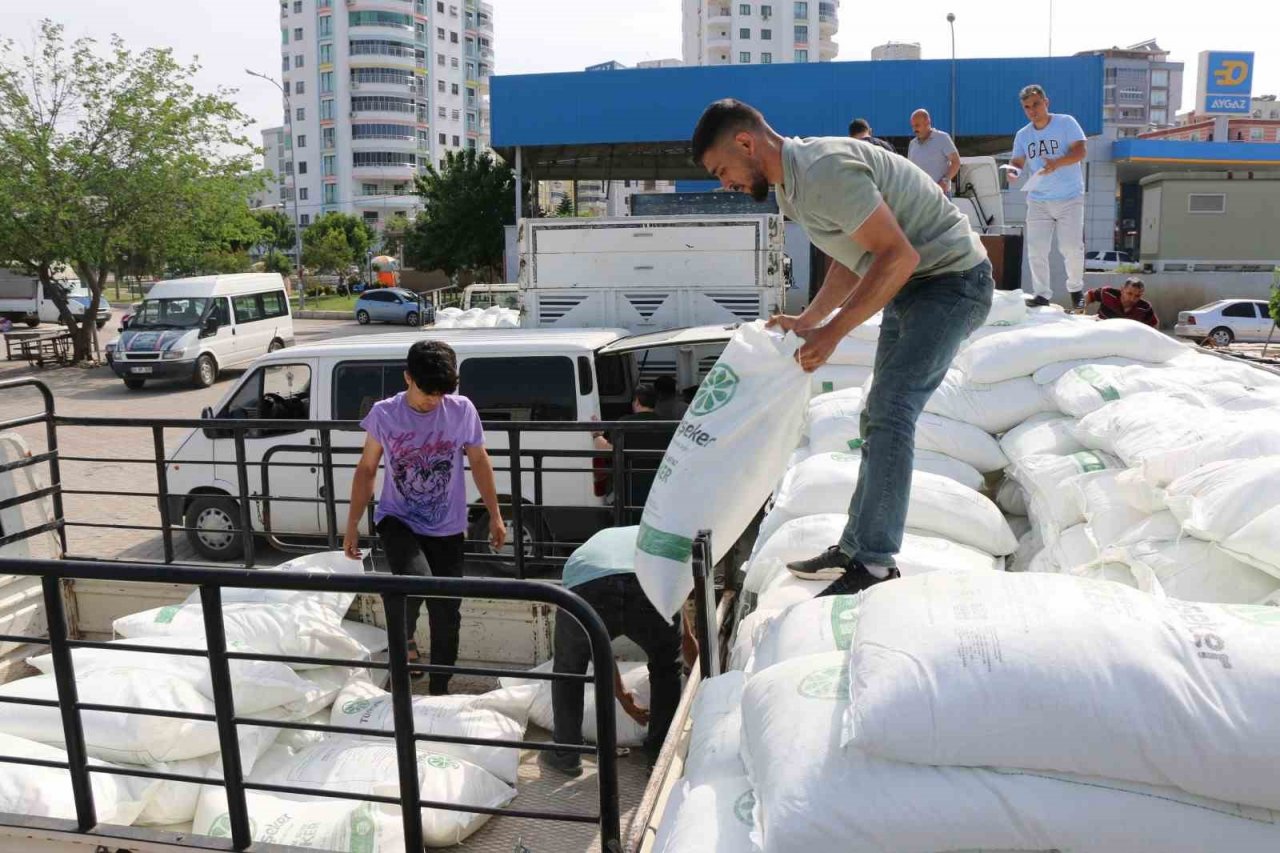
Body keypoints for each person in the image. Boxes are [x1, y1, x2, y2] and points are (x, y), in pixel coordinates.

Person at [691, 99, 992, 597]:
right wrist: (811, 319)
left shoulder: (823, 170)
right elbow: (852, 257)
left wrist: (833, 333)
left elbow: (897, 254)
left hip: (952, 282)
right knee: (876, 413)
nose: (726, 183)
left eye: (722, 170)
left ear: (746, 143)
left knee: (892, 410)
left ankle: (874, 563)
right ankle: (856, 546)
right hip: (916, 285)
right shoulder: (792, 188)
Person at [343, 340, 506, 695]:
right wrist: (353, 523)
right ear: (407, 377)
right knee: (415, 584)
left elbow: (479, 460)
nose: (433, 400)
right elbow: (367, 468)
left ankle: (438, 689)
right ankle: (402, 662)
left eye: (441, 393)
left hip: (447, 526)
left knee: (447, 611)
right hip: (398, 518)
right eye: (426, 392)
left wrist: (495, 515)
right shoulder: (385, 414)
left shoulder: (461, 410)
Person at [542, 525, 696, 776]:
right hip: (650, 584)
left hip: (587, 585)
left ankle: (567, 753)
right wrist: (708, 684)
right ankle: (659, 758)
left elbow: (595, 646)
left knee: (568, 670)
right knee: (667, 667)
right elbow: (685, 639)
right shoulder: (665, 541)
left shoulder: (596, 545)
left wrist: (623, 695)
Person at [1008, 84, 1088, 309]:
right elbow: (1017, 162)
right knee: (1036, 249)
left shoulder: (1066, 123)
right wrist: (1013, 172)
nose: (1032, 110)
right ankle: (1042, 293)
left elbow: (1080, 151)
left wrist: (1057, 163)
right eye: (1027, 107)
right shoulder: (1023, 135)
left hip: (1069, 197)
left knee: (1071, 247)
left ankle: (1075, 289)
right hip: (1038, 199)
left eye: (1036, 104)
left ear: (1046, 102)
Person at [592, 384, 671, 523]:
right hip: (658, 487)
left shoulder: (624, 423)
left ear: (637, 402)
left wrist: (596, 434)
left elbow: (607, 449)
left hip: (629, 487)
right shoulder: (667, 424)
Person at [906, 109, 960, 194]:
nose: (914, 129)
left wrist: (945, 180)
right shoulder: (912, 144)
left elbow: (956, 162)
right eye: (912, 126)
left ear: (927, 122)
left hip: (940, 195)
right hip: (919, 197)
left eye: (917, 125)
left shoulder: (942, 138)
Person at [1083, 277, 1158, 327]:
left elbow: (1154, 325)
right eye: (1129, 293)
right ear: (1122, 290)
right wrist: (1080, 309)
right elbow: (1088, 295)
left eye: (1137, 296)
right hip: (1100, 332)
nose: (1132, 298)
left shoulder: (1145, 308)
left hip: (1125, 342)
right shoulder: (1108, 293)